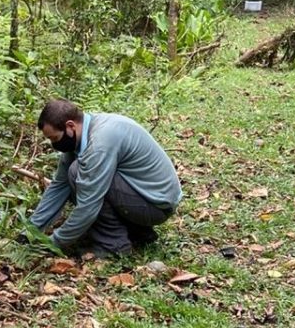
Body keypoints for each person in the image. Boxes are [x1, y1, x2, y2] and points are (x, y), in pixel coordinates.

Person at [25, 99, 182, 257]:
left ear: (70, 126)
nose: (54, 144)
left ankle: (113, 246)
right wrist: (30, 231)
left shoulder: (100, 143)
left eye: (55, 138)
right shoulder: (82, 135)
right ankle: (137, 233)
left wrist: (53, 243)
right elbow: (59, 186)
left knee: (78, 173)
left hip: (156, 205)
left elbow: (88, 205)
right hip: (144, 196)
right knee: (75, 174)